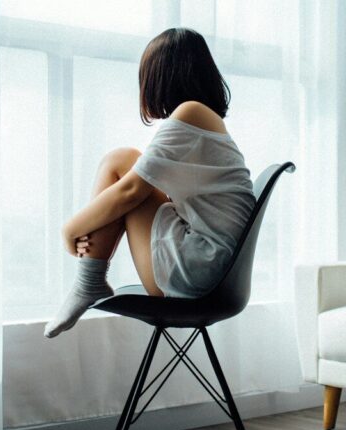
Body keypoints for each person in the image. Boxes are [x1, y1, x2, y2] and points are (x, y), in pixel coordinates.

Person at [44, 28, 255, 338]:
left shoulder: (191, 113)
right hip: (212, 271)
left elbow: (131, 191)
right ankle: (89, 281)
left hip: (199, 273)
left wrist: (70, 229)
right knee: (125, 162)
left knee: (120, 163)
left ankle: (88, 282)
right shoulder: (205, 120)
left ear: (161, 77)